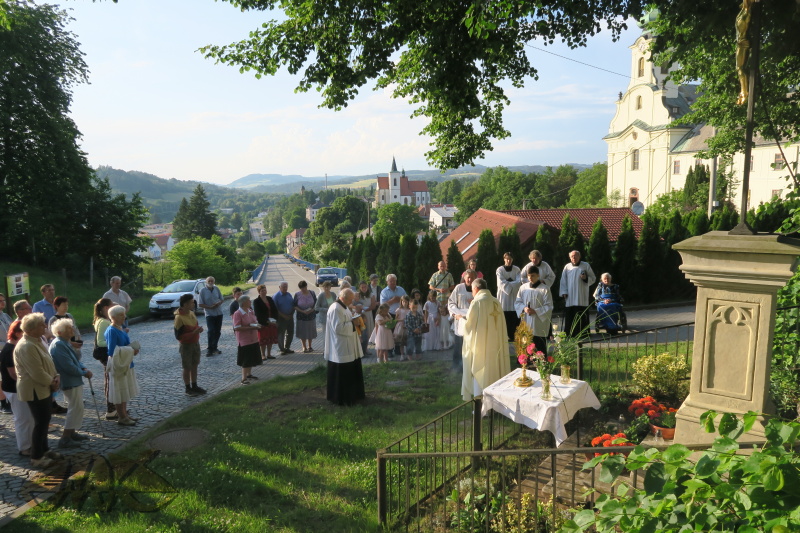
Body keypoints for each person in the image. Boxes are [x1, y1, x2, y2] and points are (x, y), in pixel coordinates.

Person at [14, 313, 62, 468]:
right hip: (35, 389)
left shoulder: (36, 341)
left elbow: (48, 362)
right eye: (42, 324)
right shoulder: (26, 346)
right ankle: (36, 457)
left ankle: (45, 450)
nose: (45, 327)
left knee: (45, 420)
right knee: (40, 422)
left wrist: (56, 376)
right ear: (33, 328)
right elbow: (37, 372)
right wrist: (52, 382)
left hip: (44, 387)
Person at [461, 278, 510, 401]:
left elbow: (468, 326)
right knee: (495, 368)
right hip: (496, 344)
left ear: (476, 289)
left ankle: (481, 406)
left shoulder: (477, 302)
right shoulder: (496, 302)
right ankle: (497, 403)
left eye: (472, 290)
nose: (472, 293)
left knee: (481, 369)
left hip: (481, 345)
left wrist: (459, 319)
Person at [50, 318, 92, 448]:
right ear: (60, 331)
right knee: (74, 408)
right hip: (69, 381)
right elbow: (67, 366)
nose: (72, 330)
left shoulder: (65, 342)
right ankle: (66, 437)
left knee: (77, 407)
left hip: (74, 380)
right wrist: (83, 372)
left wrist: (83, 367)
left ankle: (72, 433)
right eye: (69, 328)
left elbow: (75, 360)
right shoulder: (59, 345)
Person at [324, 288, 365, 405]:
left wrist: (354, 319)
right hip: (340, 346)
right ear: (343, 298)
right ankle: (342, 398)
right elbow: (338, 328)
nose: (352, 302)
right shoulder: (336, 308)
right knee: (343, 374)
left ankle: (353, 395)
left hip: (348, 343)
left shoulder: (344, 306)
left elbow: (346, 320)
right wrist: (353, 323)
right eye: (351, 300)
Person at [1, 321, 34, 456]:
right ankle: (24, 447)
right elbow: (13, 374)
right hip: (14, 389)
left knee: (28, 417)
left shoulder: (14, 347)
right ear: (17, 333)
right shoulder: (9, 350)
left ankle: (30, 444)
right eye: (24, 333)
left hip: (19, 387)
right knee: (22, 418)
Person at [105, 305, 140, 426]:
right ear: (113, 317)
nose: (124, 317)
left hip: (126, 363)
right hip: (118, 365)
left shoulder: (120, 328)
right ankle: (122, 416)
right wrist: (130, 350)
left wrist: (132, 349)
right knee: (119, 391)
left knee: (125, 391)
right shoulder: (111, 331)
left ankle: (125, 414)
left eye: (124, 314)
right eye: (121, 315)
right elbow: (112, 351)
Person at [515, 266, 554, 354]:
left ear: (538, 275)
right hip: (526, 319)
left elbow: (549, 306)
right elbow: (518, 302)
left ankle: (540, 362)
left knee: (539, 344)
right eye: (529, 276)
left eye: (533, 275)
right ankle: (526, 361)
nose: (530, 278)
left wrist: (536, 311)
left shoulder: (545, 289)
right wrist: (524, 308)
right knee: (526, 340)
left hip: (538, 322)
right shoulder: (523, 288)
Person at [174, 294, 207, 397]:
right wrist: (193, 333)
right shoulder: (179, 318)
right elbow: (179, 336)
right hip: (186, 346)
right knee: (187, 367)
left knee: (195, 365)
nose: (194, 303)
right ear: (185, 304)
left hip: (195, 343)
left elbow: (195, 326)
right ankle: (188, 388)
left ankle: (195, 385)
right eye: (192, 302)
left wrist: (198, 330)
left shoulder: (192, 313)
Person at [559, 250, 596, 338]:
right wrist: (564, 291)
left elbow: (593, 278)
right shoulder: (567, 267)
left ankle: (583, 333)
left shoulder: (585, 265)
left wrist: (586, 278)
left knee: (581, 314)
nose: (574, 258)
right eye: (572, 256)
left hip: (581, 295)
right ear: (570, 257)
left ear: (579, 257)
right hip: (570, 295)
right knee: (570, 314)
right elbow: (563, 280)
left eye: (576, 256)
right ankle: (569, 333)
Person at [92, 298, 117, 419]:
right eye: (112, 306)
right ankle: (111, 409)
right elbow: (101, 342)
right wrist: (115, 344)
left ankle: (115, 408)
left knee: (111, 381)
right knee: (110, 382)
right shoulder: (103, 322)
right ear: (106, 308)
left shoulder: (104, 321)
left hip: (110, 355)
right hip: (107, 355)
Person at [448, 269, 476, 371]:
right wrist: (456, 313)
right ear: (464, 278)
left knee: (471, 347)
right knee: (458, 346)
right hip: (459, 321)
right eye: (467, 277)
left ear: (475, 278)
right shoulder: (459, 288)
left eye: (472, 277)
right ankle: (456, 367)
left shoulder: (477, 289)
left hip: (472, 322)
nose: (469, 279)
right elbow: (451, 302)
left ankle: (470, 367)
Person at [231, 295, 263, 385]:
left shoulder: (250, 311)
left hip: (253, 338)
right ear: (243, 302)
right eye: (249, 300)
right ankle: (243, 378)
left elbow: (254, 321)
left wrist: (256, 325)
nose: (250, 302)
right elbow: (237, 327)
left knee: (252, 357)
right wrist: (250, 328)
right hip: (244, 340)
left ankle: (249, 374)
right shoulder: (237, 313)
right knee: (246, 359)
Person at [496, 252, 522, 341]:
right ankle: (504, 335)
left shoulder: (517, 269)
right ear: (504, 259)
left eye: (510, 259)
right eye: (507, 259)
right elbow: (500, 283)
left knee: (514, 315)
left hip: (514, 295)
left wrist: (509, 283)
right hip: (503, 296)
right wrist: (511, 284)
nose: (509, 261)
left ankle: (514, 336)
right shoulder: (500, 270)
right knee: (504, 316)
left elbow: (519, 281)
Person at [197, 276, 224, 357]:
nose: (211, 282)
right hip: (209, 314)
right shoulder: (202, 291)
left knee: (217, 331)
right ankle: (209, 348)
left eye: (212, 281)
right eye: (209, 281)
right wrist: (209, 307)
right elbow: (200, 304)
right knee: (211, 330)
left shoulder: (216, 289)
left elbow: (221, 299)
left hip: (219, 313)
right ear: (206, 282)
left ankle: (214, 347)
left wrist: (218, 303)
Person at [253, 284, 278, 360]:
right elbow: (258, 314)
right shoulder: (256, 301)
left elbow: (274, 310)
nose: (264, 292)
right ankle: (263, 355)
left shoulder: (269, 299)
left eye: (265, 290)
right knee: (263, 340)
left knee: (270, 338)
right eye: (262, 291)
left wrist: (275, 320)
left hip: (272, 322)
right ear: (259, 292)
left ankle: (269, 354)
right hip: (263, 323)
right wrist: (267, 322)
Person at [294, 280, 318, 353]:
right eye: (301, 288)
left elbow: (316, 304)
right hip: (301, 316)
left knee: (310, 331)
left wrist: (312, 310)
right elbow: (294, 306)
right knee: (302, 331)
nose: (303, 289)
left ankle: (310, 346)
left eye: (304, 288)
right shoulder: (297, 295)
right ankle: (304, 346)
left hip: (311, 316)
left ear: (306, 286)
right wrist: (302, 311)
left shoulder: (312, 293)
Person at [273, 281, 295, 355]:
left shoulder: (289, 294)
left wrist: (291, 313)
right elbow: (275, 309)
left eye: (286, 286)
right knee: (281, 334)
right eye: (283, 287)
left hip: (290, 317)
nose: (285, 288)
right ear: (279, 287)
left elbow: (293, 305)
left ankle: (287, 347)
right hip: (281, 318)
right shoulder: (276, 296)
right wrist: (284, 316)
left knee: (290, 332)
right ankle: (282, 349)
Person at [354, 281, 375, 356]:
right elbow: (354, 304)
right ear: (359, 287)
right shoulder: (357, 295)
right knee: (361, 333)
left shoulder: (371, 295)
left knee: (367, 332)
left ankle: (366, 349)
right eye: (362, 287)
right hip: (359, 315)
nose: (364, 288)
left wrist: (365, 309)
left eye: (365, 287)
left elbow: (373, 306)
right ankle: (360, 350)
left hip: (368, 314)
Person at [393, 295, 410, 361]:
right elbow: (396, 319)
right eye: (403, 302)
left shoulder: (409, 310)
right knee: (401, 342)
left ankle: (408, 354)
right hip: (400, 327)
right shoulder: (399, 310)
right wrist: (402, 320)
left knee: (408, 340)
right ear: (401, 302)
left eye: (406, 302)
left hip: (408, 326)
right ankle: (402, 355)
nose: (404, 303)